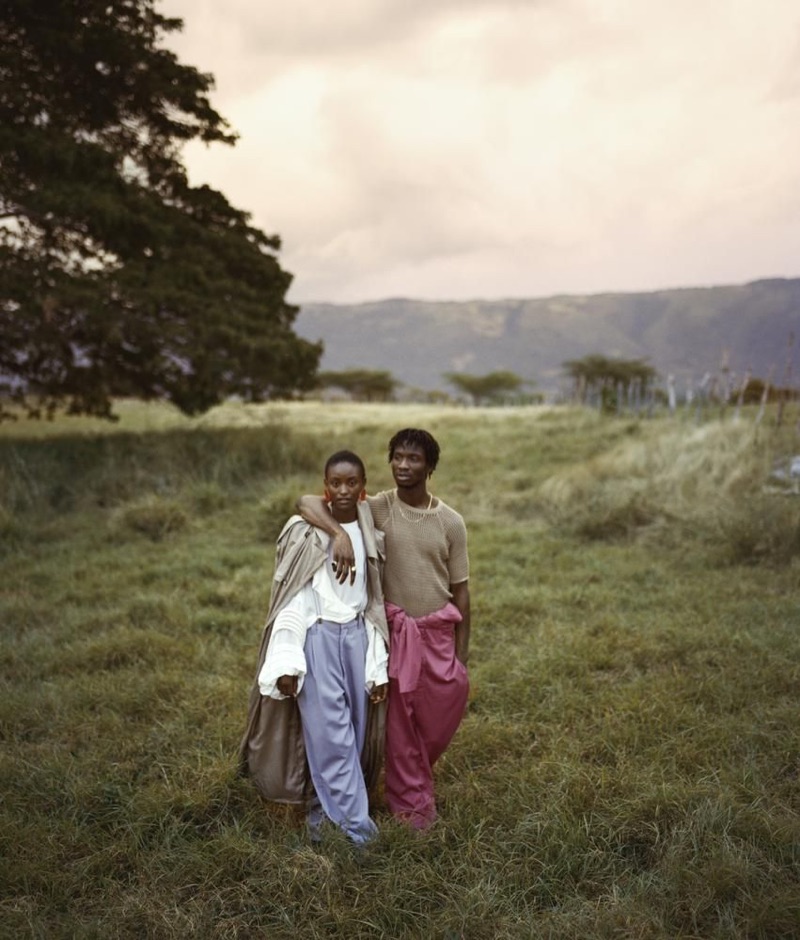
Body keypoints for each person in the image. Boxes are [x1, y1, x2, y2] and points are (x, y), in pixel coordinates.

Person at [298, 428, 470, 830]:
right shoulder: (376, 508)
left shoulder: (451, 522)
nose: (403, 466)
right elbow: (306, 500)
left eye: (413, 459)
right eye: (397, 457)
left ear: (430, 466)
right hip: (393, 633)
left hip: (438, 632)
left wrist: (461, 658)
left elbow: (462, 593)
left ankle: (414, 775)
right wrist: (339, 533)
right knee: (399, 725)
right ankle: (411, 809)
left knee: (437, 719)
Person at [239, 451, 389, 845]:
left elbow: (371, 604)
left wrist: (377, 664)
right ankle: (359, 835)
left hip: (356, 638)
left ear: (363, 488)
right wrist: (288, 657)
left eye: (351, 483)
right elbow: (294, 600)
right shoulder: (305, 530)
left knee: (354, 739)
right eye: (335, 483)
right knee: (333, 739)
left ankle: (322, 819)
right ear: (326, 487)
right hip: (319, 638)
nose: (343, 490)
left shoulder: (371, 528)